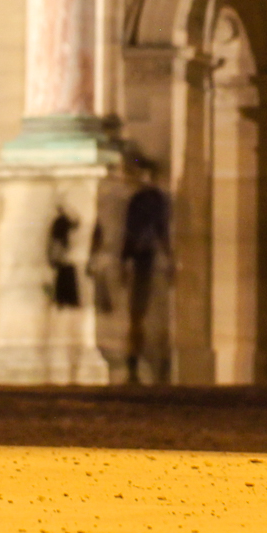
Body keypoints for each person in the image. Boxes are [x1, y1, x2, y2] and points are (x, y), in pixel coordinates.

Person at [121, 164, 172, 385]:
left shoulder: (143, 200)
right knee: (146, 313)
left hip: (143, 258)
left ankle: (139, 360)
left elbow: (136, 231)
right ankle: (154, 361)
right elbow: (160, 230)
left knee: (139, 313)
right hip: (146, 258)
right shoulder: (153, 199)